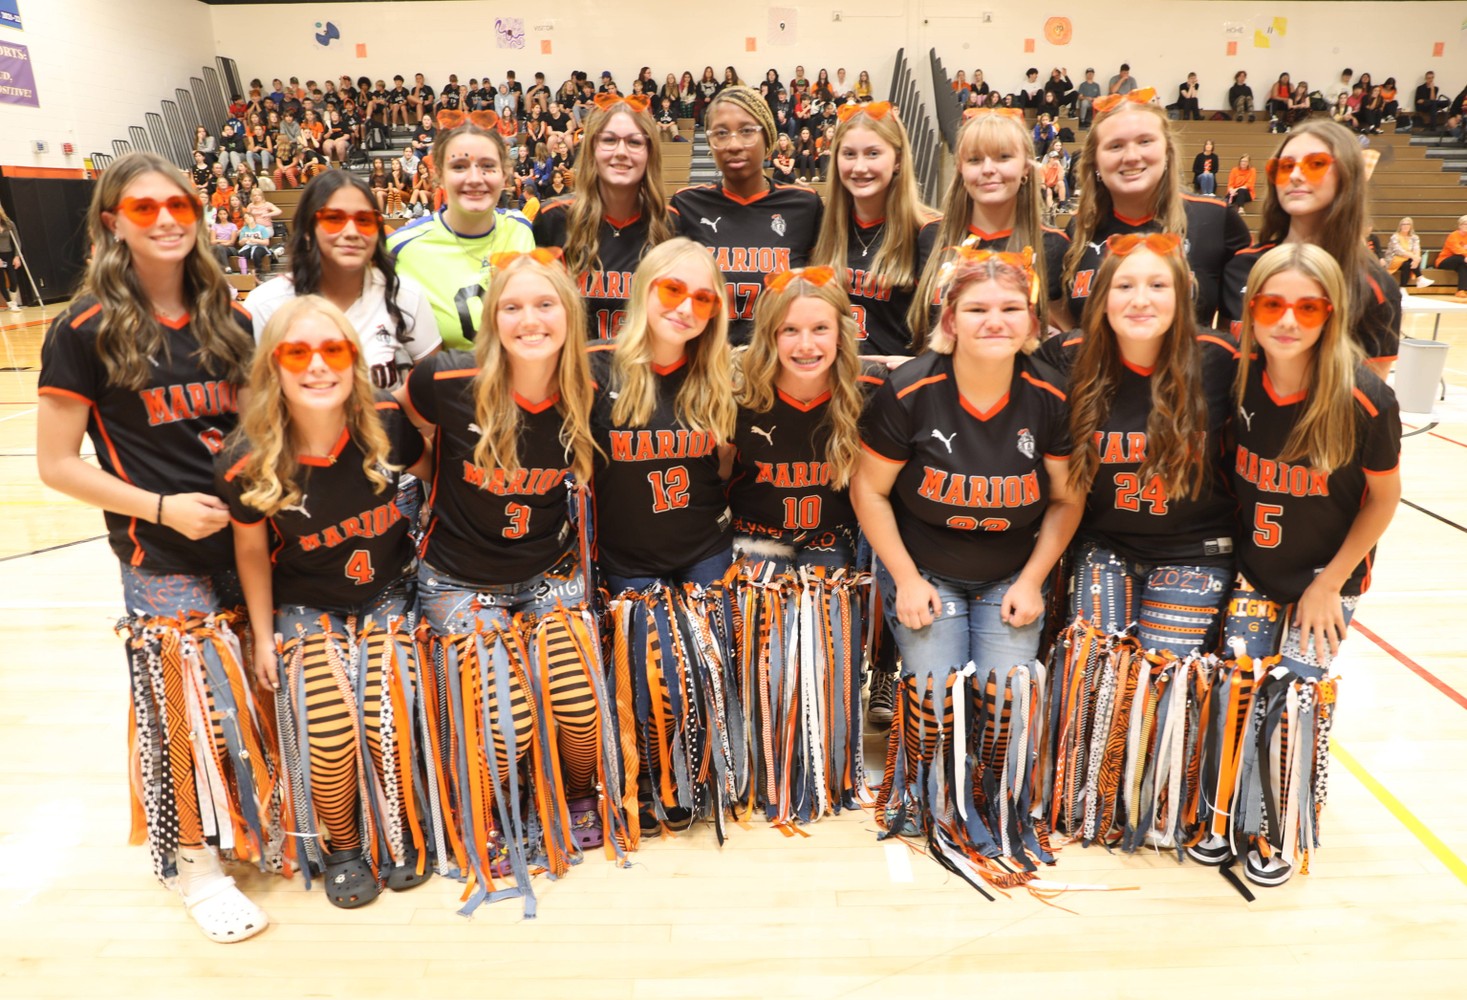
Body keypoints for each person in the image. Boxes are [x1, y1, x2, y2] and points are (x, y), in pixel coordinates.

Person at [36, 151, 273, 943]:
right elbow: (57, 464)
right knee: (181, 706)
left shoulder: (228, 318)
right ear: (112, 222)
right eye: (145, 208)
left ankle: (251, 822)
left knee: (251, 692)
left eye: (180, 204)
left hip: (243, 542)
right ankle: (191, 864)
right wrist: (162, 509)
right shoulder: (83, 327)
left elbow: (251, 432)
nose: (168, 219)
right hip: (160, 552)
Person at [405, 249, 624, 906]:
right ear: (490, 318)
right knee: (506, 719)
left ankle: (578, 794)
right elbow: (405, 432)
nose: (529, 319)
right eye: (512, 306)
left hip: (548, 573)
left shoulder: (595, 386)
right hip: (457, 580)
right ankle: (497, 811)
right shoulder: (444, 380)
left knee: (579, 707)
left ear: (570, 313)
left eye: (545, 304)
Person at [851, 247, 1080, 868]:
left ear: (1033, 321)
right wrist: (903, 578)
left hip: (1010, 573)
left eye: (1011, 308)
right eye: (977, 308)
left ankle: (993, 802)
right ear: (949, 318)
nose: (995, 321)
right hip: (926, 569)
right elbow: (867, 490)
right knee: (932, 698)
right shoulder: (911, 389)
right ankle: (927, 800)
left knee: (1005, 698)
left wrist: (1034, 579)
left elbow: (1066, 500)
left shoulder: (1049, 396)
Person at [218, 296, 434, 909]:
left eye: (333, 350)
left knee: (385, 714)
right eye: (298, 352)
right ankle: (342, 846)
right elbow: (253, 555)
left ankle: (402, 831)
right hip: (307, 606)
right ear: (272, 368)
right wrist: (263, 636)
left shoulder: (387, 425)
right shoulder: (246, 460)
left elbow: (443, 475)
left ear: (355, 361)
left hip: (390, 593)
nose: (317, 366)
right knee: (332, 732)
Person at [1221, 242, 1400, 886]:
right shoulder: (1237, 382)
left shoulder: (1365, 397)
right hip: (1254, 572)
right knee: (1240, 692)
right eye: (1273, 304)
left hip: (1329, 581)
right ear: (1249, 310)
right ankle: (1229, 815)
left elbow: (1384, 499)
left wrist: (1329, 584)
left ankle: (1282, 828)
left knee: (1292, 702)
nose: (1288, 320)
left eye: (1307, 307)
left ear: (1332, 313)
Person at [588, 238, 739, 835]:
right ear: (643, 289)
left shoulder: (720, 375)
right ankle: (653, 777)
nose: (685, 308)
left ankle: (703, 775)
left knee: (712, 665)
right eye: (672, 290)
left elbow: (725, 469)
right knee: (656, 680)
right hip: (629, 558)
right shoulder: (597, 369)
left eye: (702, 298)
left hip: (704, 550)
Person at [727, 267, 885, 823]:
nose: (806, 344)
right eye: (788, 331)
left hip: (828, 544)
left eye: (819, 329)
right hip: (755, 543)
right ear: (768, 336)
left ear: (842, 332)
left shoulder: (866, 396)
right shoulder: (738, 395)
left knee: (824, 653)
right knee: (766, 659)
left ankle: (823, 773)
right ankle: (756, 773)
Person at [1037, 233, 1237, 654]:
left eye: (1158, 286)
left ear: (1182, 295)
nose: (1140, 300)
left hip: (1194, 552)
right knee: (1098, 684)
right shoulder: (1070, 355)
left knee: (1158, 687)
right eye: (1124, 286)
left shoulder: (1221, 359)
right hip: (1105, 544)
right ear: (1101, 298)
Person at [1220, 121, 1401, 375]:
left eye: (1315, 164)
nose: (1294, 175)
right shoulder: (1242, 266)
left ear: (1347, 175)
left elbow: (1371, 397)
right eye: (1285, 166)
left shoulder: (1374, 285)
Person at [1062, 89, 1250, 327]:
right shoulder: (1078, 229)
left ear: (1167, 152)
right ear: (1095, 162)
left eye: (1145, 141)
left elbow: (1234, 327)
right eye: (1115, 146)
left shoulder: (1215, 218)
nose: (1131, 156)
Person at [245, 171, 440, 395]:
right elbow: (251, 402)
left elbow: (428, 396)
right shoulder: (264, 305)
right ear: (307, 230)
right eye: (334, 219)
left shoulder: (405, 294)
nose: (351, 232)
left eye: (364, 220)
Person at [671, 85, 823, 345]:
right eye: (721, 133)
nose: (733, 144)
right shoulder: (686, 205)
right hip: (706, 371)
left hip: (781, 368)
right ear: (709, 142)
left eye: (747, 131)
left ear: (769, 138)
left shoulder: (804, 206)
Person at [387, 110, 534, 350]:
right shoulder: (400, 249)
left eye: (487, 166)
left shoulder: (523, 230)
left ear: (504, 174)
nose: (475, 178)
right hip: (450, 385)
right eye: (459, 167)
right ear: (439, 176)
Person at [533, 94, 675, 339]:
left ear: (650, 151)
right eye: (609, 140)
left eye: (634, 142)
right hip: (575, 375)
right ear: (592, 149)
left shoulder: (671, 223)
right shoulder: (554, 218)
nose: (621, 152)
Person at [920, 110, 1072, 339]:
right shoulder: (931, 236)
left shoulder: (1052, 245)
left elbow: (1067, 336)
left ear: (1025, 169)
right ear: (961, 169)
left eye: (1003, 157)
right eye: (975, 159)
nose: (988, 169)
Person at [811, 100, 940, 358]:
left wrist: (910, 368)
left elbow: (943, 334)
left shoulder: (929, 231)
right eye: (849, 154)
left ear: (898, 160)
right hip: (832, 385)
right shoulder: (821, 226)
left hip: (895, 389)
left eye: (873, 153)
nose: (859, 167)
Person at [1384, 217, 1424, 287]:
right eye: (1403, 224)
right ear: (1400, 226)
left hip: (1407, 260)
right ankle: (1420, 278)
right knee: (1410, 260)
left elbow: (1417, 249)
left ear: (1411, 226)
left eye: (1408, 224)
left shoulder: (1414, 237)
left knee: (1407, 264)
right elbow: (1398, 251)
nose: (1405, 226)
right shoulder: (1395, 236)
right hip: (1394, 259)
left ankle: (1403, 288)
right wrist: (1414, 257)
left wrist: (1416, 259)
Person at [1435, 214, 1467, 298]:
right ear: (1460, 225)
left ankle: (1461, 291)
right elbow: (1457, 249)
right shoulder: (1453, 236)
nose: (1466, 226)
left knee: (1463, 267)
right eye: (1465, 224)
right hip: (1444, 261)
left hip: (1460, 261)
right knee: (1461, 258)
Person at [0, 207, 25, 311]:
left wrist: (17, 256)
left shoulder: (9, 224)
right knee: (1, 281)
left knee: (13, 280)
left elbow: (17, 240)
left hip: (9, 255)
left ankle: (13, 301)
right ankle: (10, 304)